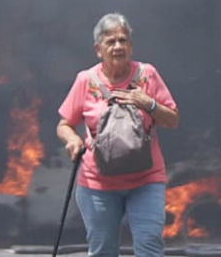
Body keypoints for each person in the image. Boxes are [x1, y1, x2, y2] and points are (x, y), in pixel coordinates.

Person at [57, 13, 180, 257]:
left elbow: (173, 120)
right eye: (110, 41)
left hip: (146, 181)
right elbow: (64, 124)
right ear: (98, 49)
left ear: (131, 46)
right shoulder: (86, 81)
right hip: (97, 185)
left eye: (123, 41)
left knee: (150, 247)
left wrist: (149, 103)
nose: (117, 47)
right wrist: (72, 140)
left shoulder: (148, 76)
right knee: (102, 251)